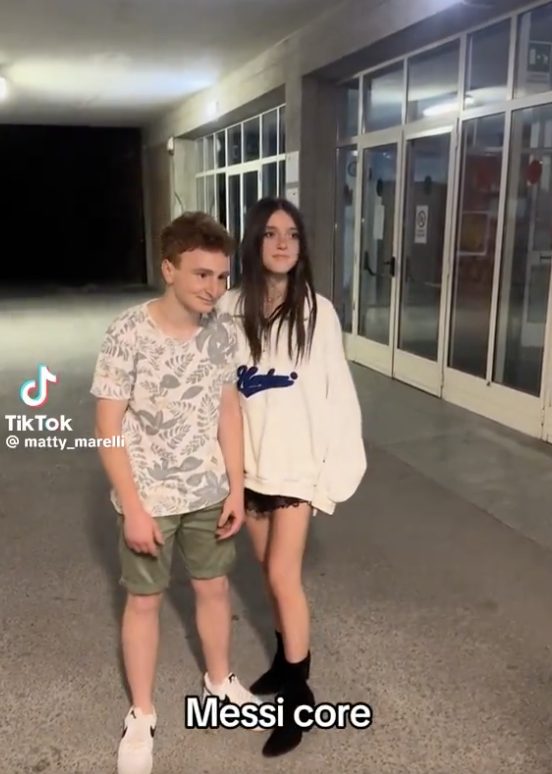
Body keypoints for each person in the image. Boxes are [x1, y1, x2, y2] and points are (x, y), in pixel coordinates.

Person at [91, 211, 260, 774]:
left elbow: (228, 410)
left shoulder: (224, 333)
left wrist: (235, 488)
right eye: (201, 274)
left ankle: (220, 682)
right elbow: (107, 425)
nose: (213, 288)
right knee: (144, 601)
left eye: (222, 276)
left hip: (208, 490)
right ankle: (141, 715)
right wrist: (133, 507)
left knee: (214, 589)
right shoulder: (128, 332)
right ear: (169, 269)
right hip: (148, 498)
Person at [217, 197, 367, 757]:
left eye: (293, 235)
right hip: (250, 465)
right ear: (254, 242)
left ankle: (298, 697)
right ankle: (284, 661)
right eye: (271, 234)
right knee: (265, 570)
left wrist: (333, 473)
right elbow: (221, 394)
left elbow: (338, 395)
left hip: (297, 467)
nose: (283, 243)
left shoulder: (318, 312)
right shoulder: (230, 307)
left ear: (302, 247)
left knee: (284, 576)